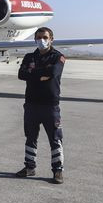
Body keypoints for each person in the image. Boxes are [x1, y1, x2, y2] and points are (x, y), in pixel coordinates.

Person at [15, 26, 66, 184]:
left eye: (45, 37)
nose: (41, 40)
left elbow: (53, 73)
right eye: (38, 38)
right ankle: (29, 167)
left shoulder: (58, 57)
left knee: (55, 138)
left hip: (50, 105)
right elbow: (21, 74)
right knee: (30, 137)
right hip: (31, 104)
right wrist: (41, 74)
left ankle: (57, 170)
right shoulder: (29, 57)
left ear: (51, 39)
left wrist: (33, 73)